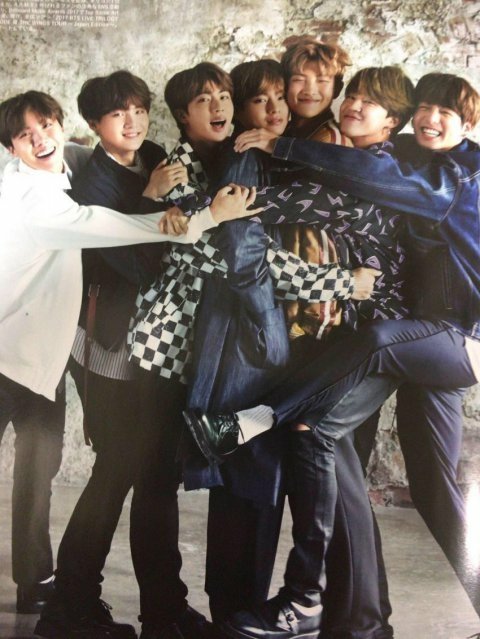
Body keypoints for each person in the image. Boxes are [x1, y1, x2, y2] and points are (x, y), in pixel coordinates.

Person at [184, 72, 480, 639]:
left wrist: (272, 155)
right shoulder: (415, 153)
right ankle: (358, 622)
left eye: (446, 113)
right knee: (431, 487)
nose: (431, 119)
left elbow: (347, 186)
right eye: (426, 108)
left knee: (324, 424)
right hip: (422, 336)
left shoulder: (449, 174)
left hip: (445, 336)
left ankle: (313, 599)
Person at [0, 87, 257, 639]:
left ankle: (127, 606)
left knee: (137, 472)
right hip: (89, 349)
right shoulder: (56, 190)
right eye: (117, 114)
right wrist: (198, 215)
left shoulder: (113, 160)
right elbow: (120, 244)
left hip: (111, 351)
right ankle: (73, 605)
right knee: (120, 469)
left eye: (138, 110)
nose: (132, 121)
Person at [127, 61, 372, 639]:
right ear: (183, 114)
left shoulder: (253, 157)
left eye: (223, 95)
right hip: (177, 346)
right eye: (254, 99)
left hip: (223, 339)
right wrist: (341, 282)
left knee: (234, 468)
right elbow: (238, 255)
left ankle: (213, 609)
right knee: (180, 476)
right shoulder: (215, 165)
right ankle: (185, 613)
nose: (272, 107)